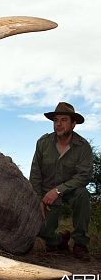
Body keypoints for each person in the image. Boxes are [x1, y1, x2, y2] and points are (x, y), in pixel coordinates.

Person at [29, 102, 93, 260]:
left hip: (70, 191)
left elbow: (84, 176)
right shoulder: (42, 143)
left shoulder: (83, 146)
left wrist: (58, 190)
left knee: (83, 194)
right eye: (55, 120)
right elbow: (35, 173)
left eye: (64, 120)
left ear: (73, 124)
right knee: (41, 231)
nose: (58, 124)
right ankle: (59, 240)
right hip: (46, 194)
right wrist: (38, 199)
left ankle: (80, 244)